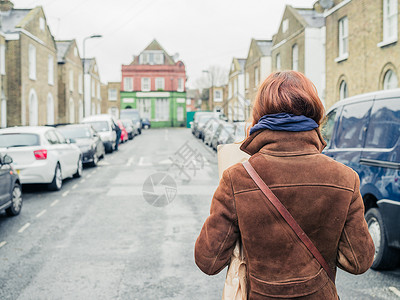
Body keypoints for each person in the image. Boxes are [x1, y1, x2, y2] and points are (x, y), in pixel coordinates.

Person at [194, 71, 374, 299]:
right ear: (315, 113)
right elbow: (359, 261)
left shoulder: (236, 178)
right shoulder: (345, 178)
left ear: (259, 116)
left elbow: (207, 261)